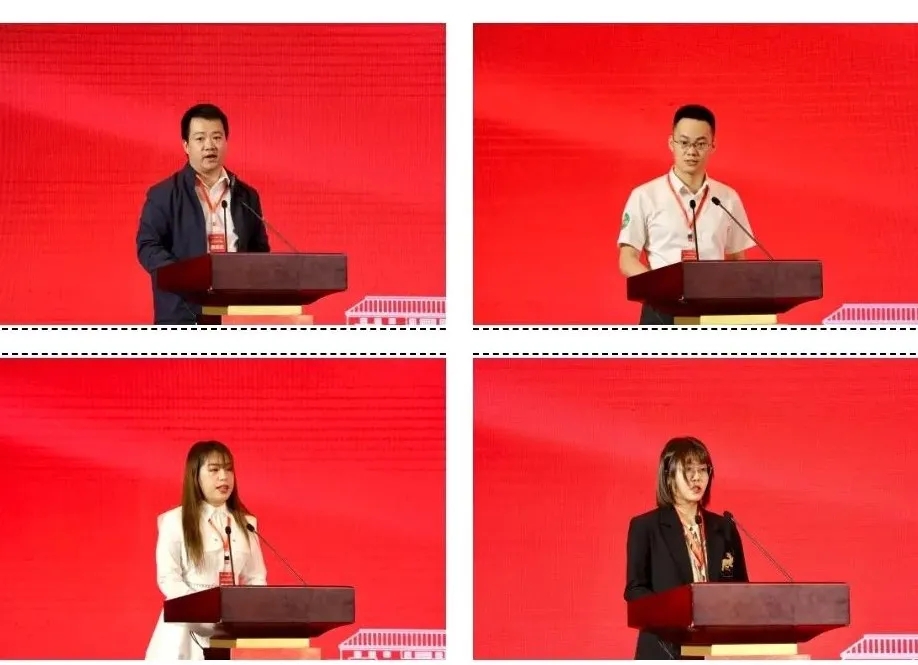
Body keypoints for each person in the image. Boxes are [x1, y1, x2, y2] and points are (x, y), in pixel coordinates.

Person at [617, 105, 757, 324]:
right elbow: (627, 259)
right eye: (684, 143)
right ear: (671, 143)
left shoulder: (727, 198)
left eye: (700, 144)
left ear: (712, 146)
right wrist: (659, 288)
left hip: (714, 310)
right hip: (660, 308)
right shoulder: (645, 196)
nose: (691, 151)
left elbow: (738, 260)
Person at [136, 103, 271, 325]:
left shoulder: (247, 196)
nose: (209, 145)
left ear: (226, 142)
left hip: (236, 315)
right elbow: (148, 246)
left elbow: (260, 251)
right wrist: (184, 277)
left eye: (217, 137)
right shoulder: (163, 195)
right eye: (200, 139)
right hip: (181, 314)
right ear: (186, 145)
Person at [623, 437, 749, 660]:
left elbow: (742, 590)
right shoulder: (646, 527)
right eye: (688, 469)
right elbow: (635, 590)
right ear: (669, 476)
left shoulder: (724, 528)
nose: (696, 477)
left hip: (716, 651)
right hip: (664, 650)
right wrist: (674, 613)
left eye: (703, 469)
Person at [145, 441, 268, 660]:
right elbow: (168, 578)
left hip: (232, 627)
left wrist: (248, 612)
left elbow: (256, 577)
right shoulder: (174, 521)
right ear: (195, 475)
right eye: (214, 470)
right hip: (185, 629)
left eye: (228, 469)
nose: (224, 477)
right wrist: (203, 611)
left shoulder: (246, 524)